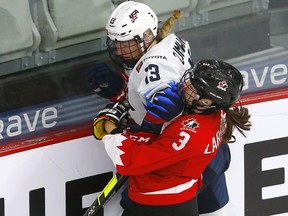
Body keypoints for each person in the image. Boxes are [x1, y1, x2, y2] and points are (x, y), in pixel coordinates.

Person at [89, 1, 235, 215]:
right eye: (116, 42)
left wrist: (126, 132)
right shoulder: (168, 43)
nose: (119, 49)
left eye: (125, 42)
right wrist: (123, 94)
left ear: (147, 36)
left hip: (185, 167)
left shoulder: (155, 66)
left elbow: (167, 105)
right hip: (206, 153)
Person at [93, 59, 252, 216]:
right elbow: (161, 141)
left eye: (193, 87)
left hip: (161, 207)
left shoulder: (191, 134)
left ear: (205, 101)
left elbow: (128, 161)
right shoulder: (216, 113)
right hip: (167, 201)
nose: (185, 85)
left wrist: (110, 129)